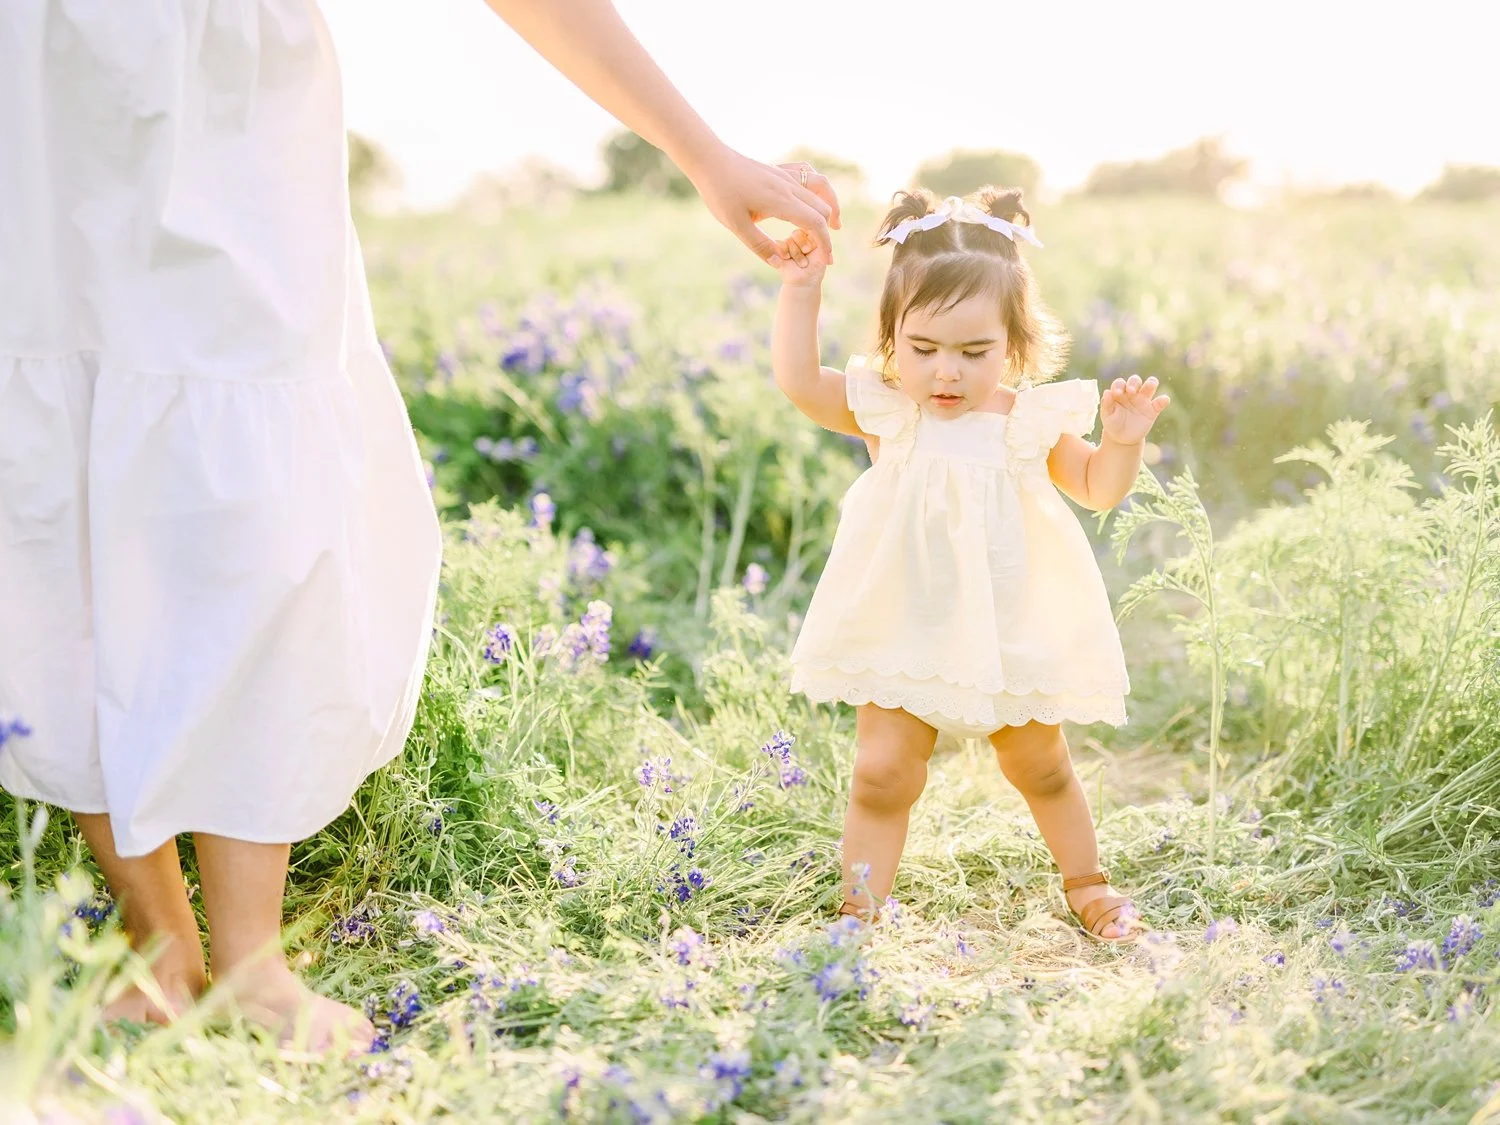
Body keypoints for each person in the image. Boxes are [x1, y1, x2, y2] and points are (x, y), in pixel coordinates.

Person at [0, 0, 839, 1052]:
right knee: (53, 494)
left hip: (229, 104)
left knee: (255, 509)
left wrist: (701, 151)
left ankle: (254, 962)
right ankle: (158, 940)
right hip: (35, 87)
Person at [771, 188, 1170, 942]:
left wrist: (1121, 441)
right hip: (901, 618)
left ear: (1014, 345)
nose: (945, 372)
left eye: (974, 352)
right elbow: (798, 381)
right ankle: (860, 909)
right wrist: (802, 290)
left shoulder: (1029, 421)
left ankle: (1090, 885)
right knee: (883, 772)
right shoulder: (889, 408)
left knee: (1041, 763)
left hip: (1006, 623)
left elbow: (1098, 490)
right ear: (893, 338)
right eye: (922, 349)